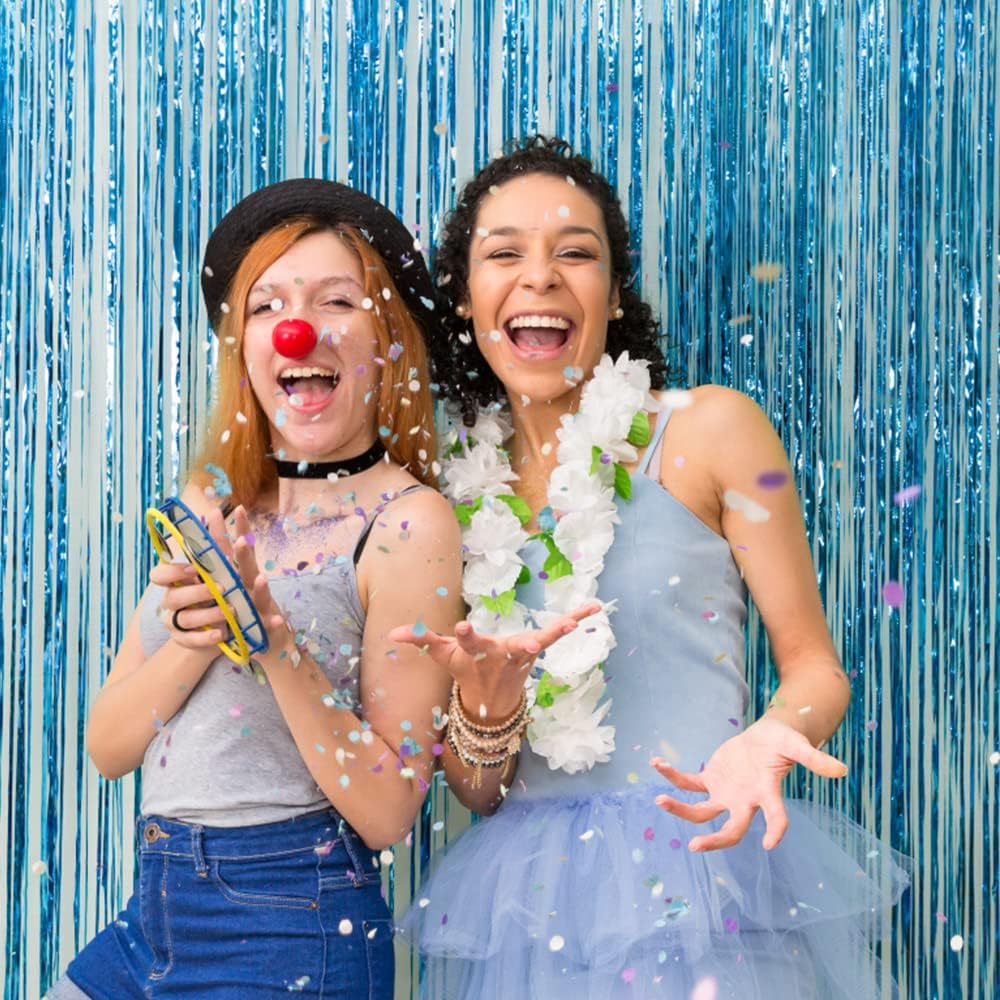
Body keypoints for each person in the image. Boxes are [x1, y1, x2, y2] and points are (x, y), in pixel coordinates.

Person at [391, 138, 911, 999]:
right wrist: (486, 711)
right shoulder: (443, 496)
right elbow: (478, 793)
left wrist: (767, 740)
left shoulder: (710, 430)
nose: (540, 276)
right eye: (505, 254)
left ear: (613, 291)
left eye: (575, 253)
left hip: (704, 871)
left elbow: (816, 668)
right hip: (530, 912)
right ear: (463, 296)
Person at [47, 179, 471, 999]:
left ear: (388, 338)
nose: (295, 326)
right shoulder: (218, 502)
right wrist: (200, 632)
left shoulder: (410, 521)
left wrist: (272, 636)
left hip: (291, 915)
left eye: (335, 300)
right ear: (244, 349)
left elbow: (387, 810)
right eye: (267, 304)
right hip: (155, 906)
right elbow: (108, 747)